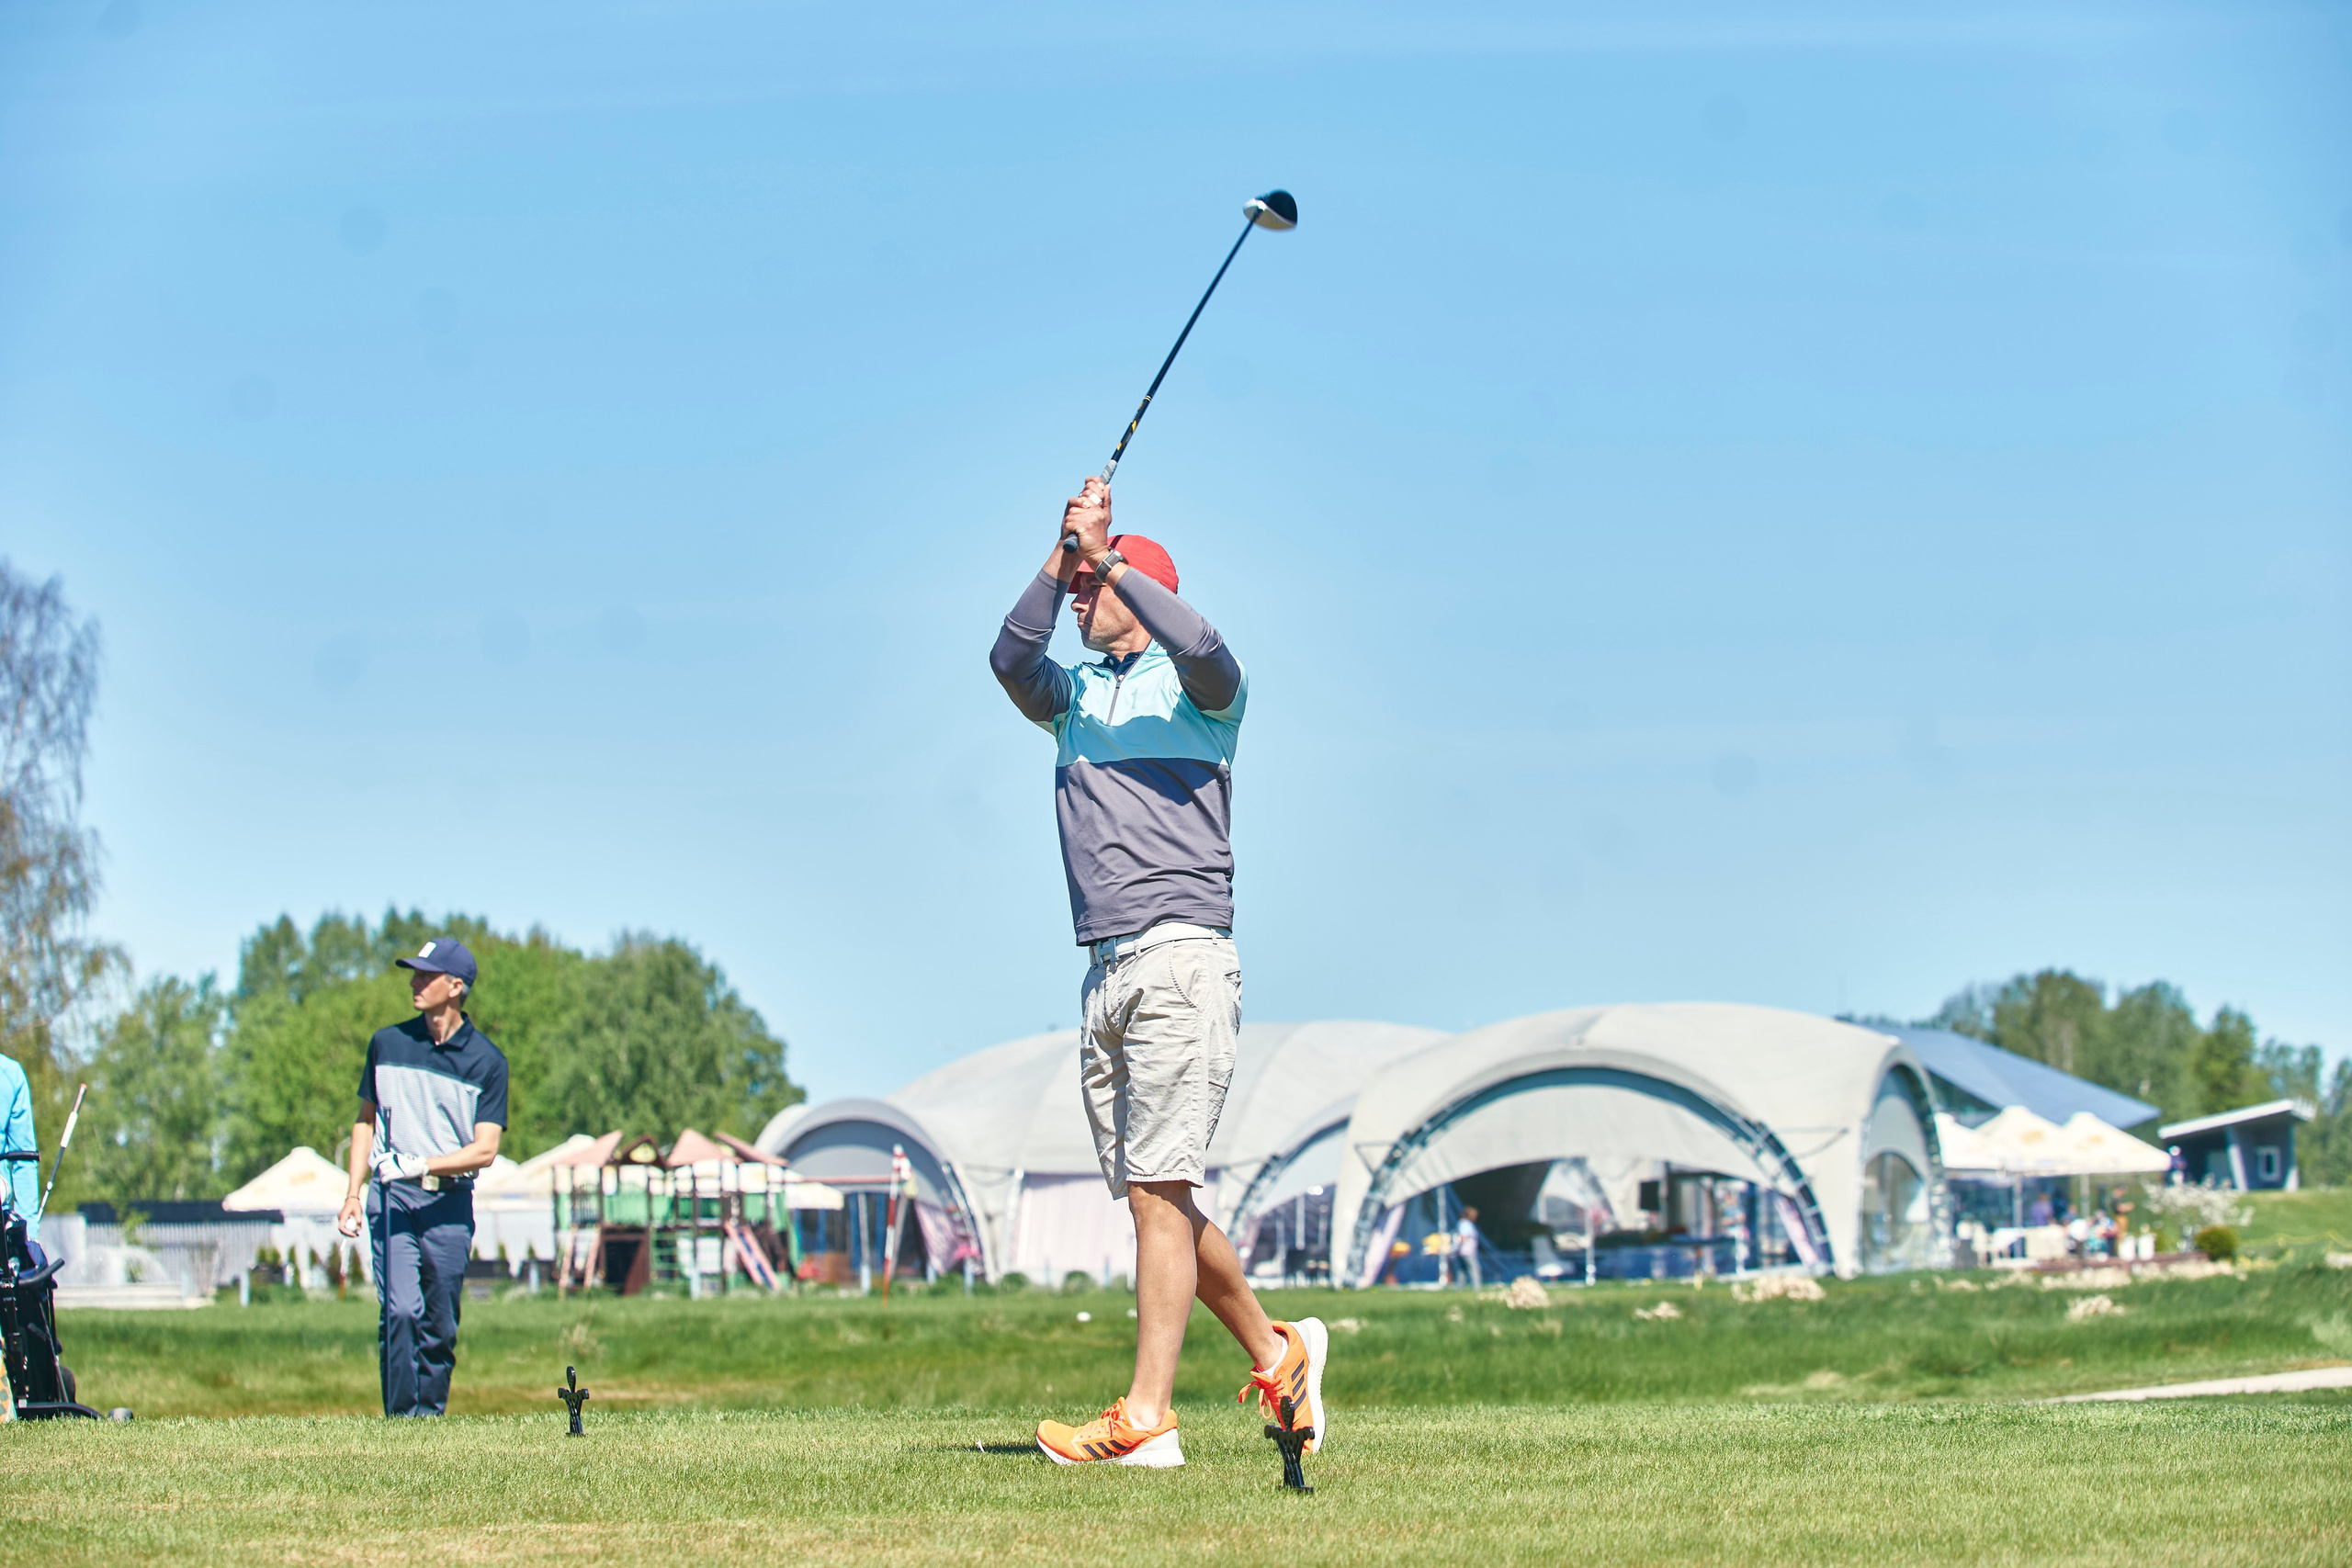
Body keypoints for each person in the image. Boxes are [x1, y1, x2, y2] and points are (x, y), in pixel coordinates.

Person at [991, 478, 1327, 1469]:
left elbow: (1207, 647)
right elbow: (1009, 658)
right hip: (1104, 967)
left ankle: (1147, 1420)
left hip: (1181, 955)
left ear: (1137, 591)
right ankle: (1278, 1352)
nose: (1076, 601)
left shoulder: (1201, 697)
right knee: (1157, 1198)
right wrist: (1063, 556)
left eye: (1089, 590)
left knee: (1159, 1190)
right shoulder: (1073, 700)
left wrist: (1109, 558)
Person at [336, 937, 508, 1417]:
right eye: (414, 974)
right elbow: (364, 1121)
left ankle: (428, 1420)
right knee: (400, 1311)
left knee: (440, 1324)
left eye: (425, 976)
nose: (414, 982)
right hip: (392, 1197)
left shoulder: (488, 1062)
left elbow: (486, 1149)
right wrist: (353, 1194)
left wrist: (424, 1164)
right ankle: (401, 1421)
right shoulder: (386, 1043)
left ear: (455, 987)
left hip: (449, 1203)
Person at [1453, 1204, 1484, 1291]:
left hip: (1464, 1251)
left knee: (1463, 1270)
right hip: (1467, 1251)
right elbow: (1463, 1237)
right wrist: (1457, 1247)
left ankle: (1459, 1288)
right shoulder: (1466, 1224)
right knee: (1474, 1268)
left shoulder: (1463, 1223)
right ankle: (1477, 1288)